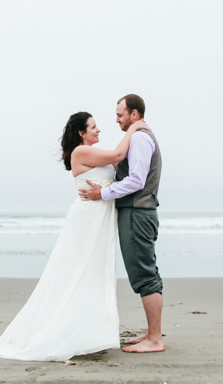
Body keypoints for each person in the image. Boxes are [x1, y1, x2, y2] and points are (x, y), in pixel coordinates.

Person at [0, 111, 149, 361]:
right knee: (76, 273)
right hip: (86, 221)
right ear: (81, 132)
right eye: (94, 127)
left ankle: (89, 333)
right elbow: (118, 155)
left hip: (99, 220)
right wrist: (135, 128)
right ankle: (62, 330)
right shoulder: (80, 152)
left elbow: (120, 166)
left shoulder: (94, 153)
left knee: (94, 274)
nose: (99, 130)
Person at [79, 93, 164, 353]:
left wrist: (102, 193)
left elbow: (137, 180)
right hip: (137, 212)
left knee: (144, 275)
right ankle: (151, 334)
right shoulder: (137, 136)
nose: (116, 120)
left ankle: (155, 339)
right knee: (144, 272)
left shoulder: (139, 137)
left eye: (120, 114)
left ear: (134, 115)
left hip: (137, 212)